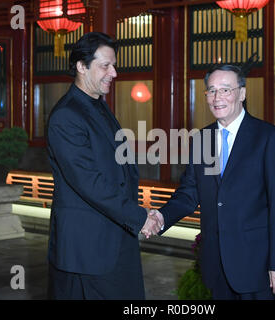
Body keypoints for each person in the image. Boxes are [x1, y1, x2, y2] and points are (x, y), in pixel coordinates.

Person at [153, 64, 275, 300]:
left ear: (242, 93)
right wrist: (161, 217)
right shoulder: (202, 139)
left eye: (225, 90)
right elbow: (190, 192)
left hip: (258, 265)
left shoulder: (268, 138)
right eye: (211, 90)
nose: (217, 97)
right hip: (217, 264)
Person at [46, 32, 163, 300]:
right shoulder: (67, 115)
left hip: (115, 236)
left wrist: (138, 214)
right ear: (81, 66)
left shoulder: (98, 106)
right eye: (105, 65)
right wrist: (140, 217)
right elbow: (89, 182)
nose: (114, 72)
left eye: (114, 64)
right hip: (86, 250)